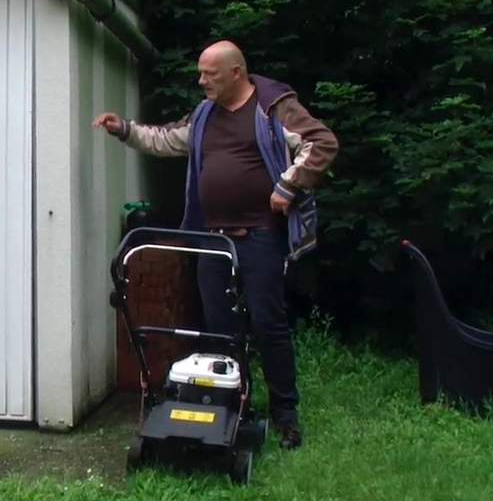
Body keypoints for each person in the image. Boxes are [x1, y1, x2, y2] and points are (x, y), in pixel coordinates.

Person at [93, 40, 338, 449]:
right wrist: (125, 130)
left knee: (268, 324)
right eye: (200, 73)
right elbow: (167, 139)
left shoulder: (272, 108)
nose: (201, 81)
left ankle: (285, 415)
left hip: (260, 235)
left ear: (236, 73)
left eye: (210, 74)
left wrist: (288, 184)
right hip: (211, 239)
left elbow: (322, 144)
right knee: (219, 330)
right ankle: (232, 405)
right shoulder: (205, 114)